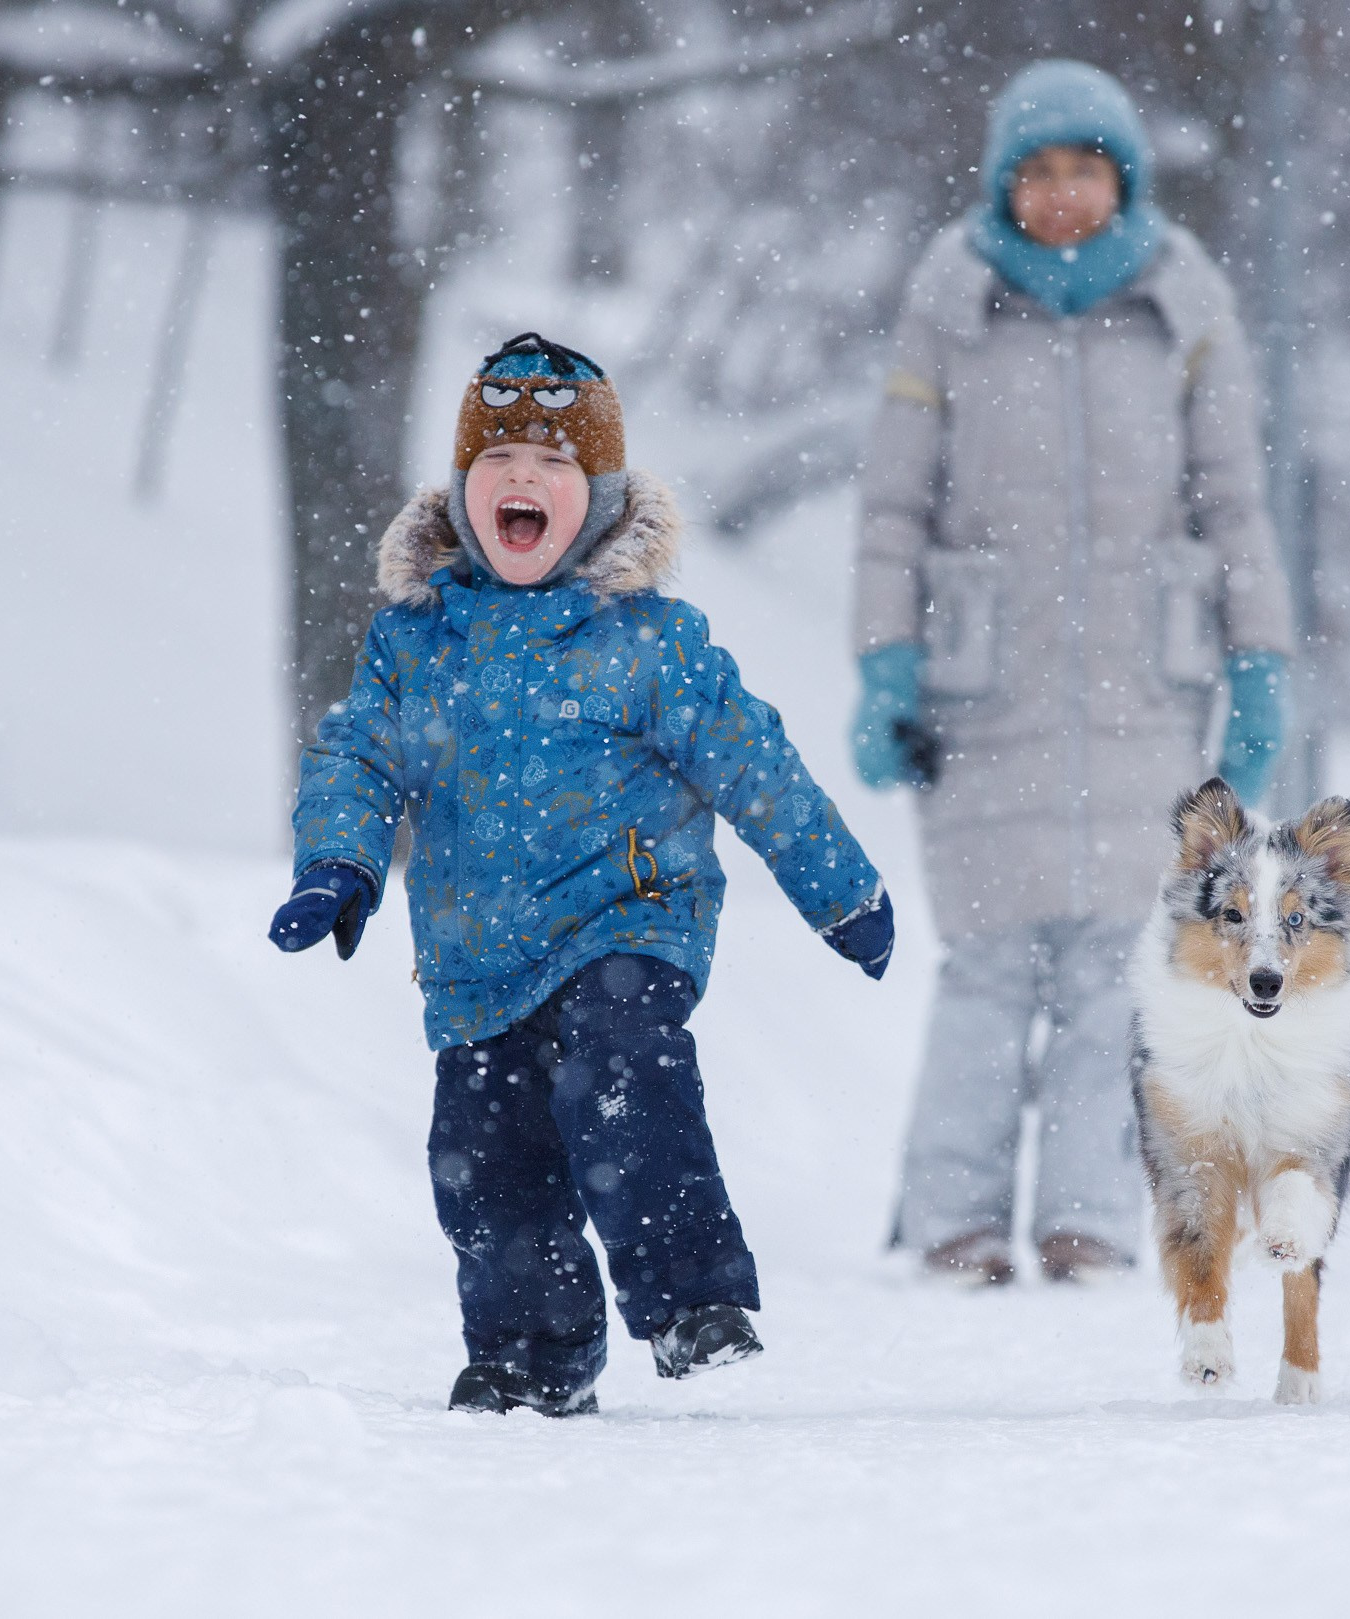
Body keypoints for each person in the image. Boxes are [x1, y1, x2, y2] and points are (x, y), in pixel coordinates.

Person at [271, 333, 895, 1416]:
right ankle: (533, 1350)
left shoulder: (650, 641)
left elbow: (756, 764)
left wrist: (840, 890)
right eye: (498, 455)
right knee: (486, 1157)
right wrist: (338, 862)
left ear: (600, 500)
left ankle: (694, 1298)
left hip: (627, 922)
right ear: (461, 494)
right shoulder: (414, 643)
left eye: (555, 462)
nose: (523, 476)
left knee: (623, 1070)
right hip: (474, 959)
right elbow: (356, 757)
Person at [853, 62, 1295, 1287]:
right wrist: (885, 665)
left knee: (1119, 967)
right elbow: (891, 508)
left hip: (1142, 688)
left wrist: (1258, 666)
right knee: (988, 963)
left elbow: (1236, 508)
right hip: (980, 688)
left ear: (1124, 177)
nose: (1059, 196)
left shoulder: (1185, 304)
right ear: (1002, 184)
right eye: (1034, 173)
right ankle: (954, 1221)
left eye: (1083, 170)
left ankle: (1088, 1220)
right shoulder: (948, 302)